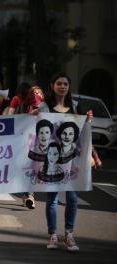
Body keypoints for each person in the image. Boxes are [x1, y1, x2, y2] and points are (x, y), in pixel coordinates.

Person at [37, 71, 93, 252]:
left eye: (65, 84)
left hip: (73, 161)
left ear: (69, 88)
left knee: (72, 199)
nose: (62, 87)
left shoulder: (76, 107)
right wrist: (32, 117)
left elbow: (84, 133)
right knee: (52, 198)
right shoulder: (45, 107)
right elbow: (34, 130)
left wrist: (88, 121)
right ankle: (53, 234)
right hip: (51, 161)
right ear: (52, 86)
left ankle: (69, 234)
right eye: (59, 83)